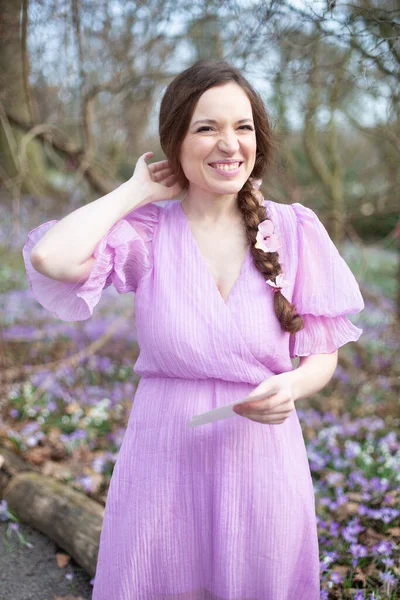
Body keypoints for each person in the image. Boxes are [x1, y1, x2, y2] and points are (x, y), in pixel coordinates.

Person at [22, 59, 364, 600]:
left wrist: (293, 387)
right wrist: (134, 191)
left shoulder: (294, 230)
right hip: (163, 454)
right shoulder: (149, 232)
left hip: (261, 456)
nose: (229, 144)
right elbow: (51, 257)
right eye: (207, 128)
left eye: (242, 127)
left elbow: (323, 352)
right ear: (176, 141)